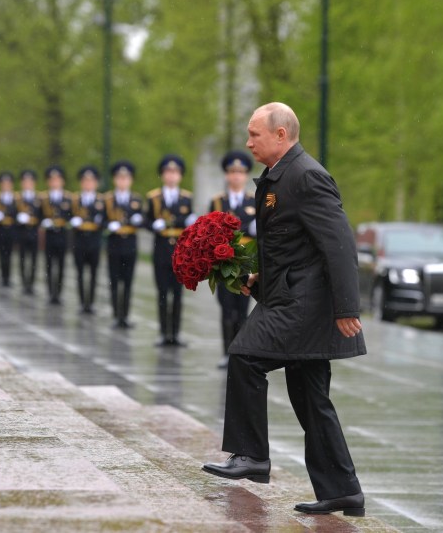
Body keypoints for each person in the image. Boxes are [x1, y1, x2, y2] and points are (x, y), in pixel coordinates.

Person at [202, 102, 366, 517]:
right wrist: (257, 278)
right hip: (290, 296)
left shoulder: (306, 175)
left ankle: (251, 455)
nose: (247, 142)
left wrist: (347, 307)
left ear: (281, 135)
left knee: (244, 354)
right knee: (311, 398)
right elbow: (292, 247)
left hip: (305, 306)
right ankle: (343, 489)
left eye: (254, 134)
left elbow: (339, 245)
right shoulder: (281, 175)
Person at [209, 150, 257, 369]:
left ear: (246, 175)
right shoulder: (218, 202)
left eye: (240, 172)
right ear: (227, 175)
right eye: (232, 172)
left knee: (243, 306)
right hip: (224, 261)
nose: (236, 176)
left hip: (245, 260)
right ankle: (227, 352)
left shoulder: (254, 201)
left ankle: (240, 351)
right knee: (227, 308)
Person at [145, 155, 196, 347]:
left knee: (178, 294)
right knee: (162, 293)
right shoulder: (154, 198)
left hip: (180, 252)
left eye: (175, 172)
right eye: (168, 172)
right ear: (163, 175)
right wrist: (153, 225)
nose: (171, 176)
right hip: (161, 249)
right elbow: (145, 220)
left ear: (180, 176)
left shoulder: (186, 198)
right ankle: (163, 332)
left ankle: (175, 332)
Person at [105, 161, 144, 328]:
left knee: (128, 281)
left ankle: (125, 315)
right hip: (114, 243)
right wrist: (108, 224)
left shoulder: (136, 199)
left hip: (130, 243)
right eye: (120, 178)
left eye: (126, 178)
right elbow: (100, 219)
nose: (123, 181)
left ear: (131, 180)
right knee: (114, 280)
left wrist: (139, 220)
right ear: (115, 180)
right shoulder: (107, 199)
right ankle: (116, 314)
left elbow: (143, 219)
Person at [70, 165, 106, 314]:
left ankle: (90, 302)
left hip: (94, 240)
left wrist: (100, 221)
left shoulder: (102, 200)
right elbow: (67, 214)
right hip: (79, 239)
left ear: (96, 183)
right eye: (85, 181)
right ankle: (81, 302)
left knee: (93, 273)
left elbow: (106, 218)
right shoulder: (75, 199)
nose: (88, 184)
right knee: (79, 272)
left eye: (91, 181)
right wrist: (73, 220)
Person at [40, 166, 71, 305]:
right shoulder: (44, 198)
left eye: (57, 180)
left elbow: (71, 215)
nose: (55, 183)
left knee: (61, 265)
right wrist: (43, 222)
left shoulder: (69, 198)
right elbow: (38, 214)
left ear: (62, 181)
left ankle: (58, 293)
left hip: (62, 234)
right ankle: (50, 293)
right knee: (48, 265)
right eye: (52, 180)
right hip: (49, 234)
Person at [15, 170, 41, 295]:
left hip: (34, 232)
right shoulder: (18, 198)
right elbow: (11, 213)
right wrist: (18, 218)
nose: (27, 184)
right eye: (25, 182)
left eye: (30, 182)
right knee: (22, 259)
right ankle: (24, 283)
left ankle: (31, 284)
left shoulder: (39, 198)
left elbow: (42, 215)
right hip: (22, 232)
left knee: (34, 260)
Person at [0, 172, 18, 287]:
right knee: (1, 254)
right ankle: (3, 276)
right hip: (0, 230)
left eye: (8, 183)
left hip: (11, 230)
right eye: (4, 184)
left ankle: (8, 277)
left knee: (9, 255)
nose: (6, 186)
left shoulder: (16, 199)